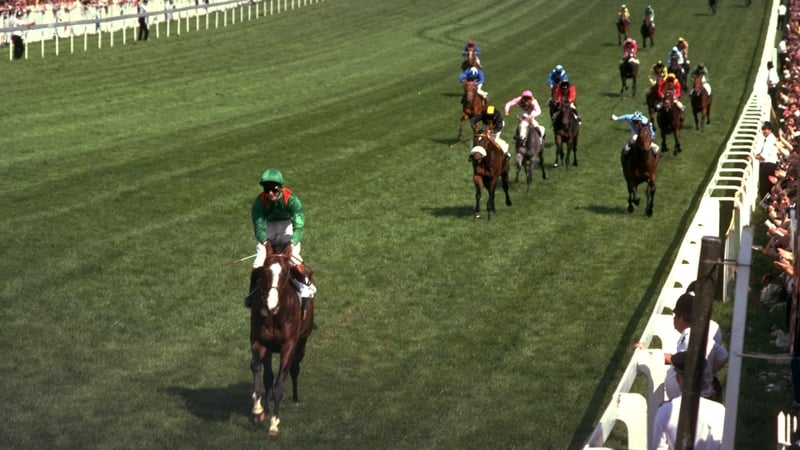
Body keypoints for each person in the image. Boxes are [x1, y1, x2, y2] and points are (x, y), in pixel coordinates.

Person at [245, 168, 316, 313]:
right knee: (258, 262)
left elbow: (299, 224)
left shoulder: (292, 199)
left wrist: (292, 242)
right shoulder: (259, 202)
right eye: (267, 189)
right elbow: (259, 226)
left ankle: (305, 289)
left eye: (274, 189)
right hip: (268, 225)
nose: (270, 193)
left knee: (294, 258)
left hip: (286, 224)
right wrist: (265, 243)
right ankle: (252, 294)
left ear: (281, 188)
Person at [650, 352, 725, 450]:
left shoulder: (665, 412)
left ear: (677, 379)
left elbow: (658, 447)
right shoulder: (720, 411)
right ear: (702, 379)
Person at [755, 122, 780, 200]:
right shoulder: (770, 139)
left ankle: (766, 206)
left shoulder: (770, 140)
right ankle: (767, 206)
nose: (763, 131)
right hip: (770, 165)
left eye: (764, 129)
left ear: (770, 130)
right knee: (768, 187)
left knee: (765, 188)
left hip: (768, 166)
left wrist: (753, 157)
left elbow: (763, 156)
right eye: (762, 129)